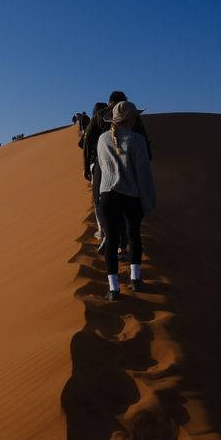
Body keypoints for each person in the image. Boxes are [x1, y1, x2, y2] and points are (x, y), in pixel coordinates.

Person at [97, 100, 157, 300]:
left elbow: (102, 170)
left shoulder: (102, 139)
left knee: (112, 240)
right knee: (134, 236)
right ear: (131, 119)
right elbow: (143, 174)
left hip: (107, 195)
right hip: (130, 195)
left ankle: (113, 289)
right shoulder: (137, 140)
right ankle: (135, 279)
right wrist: (147, 201)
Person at [82, 102, 109, 238]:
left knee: (97, 198)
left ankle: (102, 230)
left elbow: (82, 144)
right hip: (111, 165)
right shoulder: (110, 124)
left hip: (95, 164)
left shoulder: (92, 125)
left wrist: (85, 167)